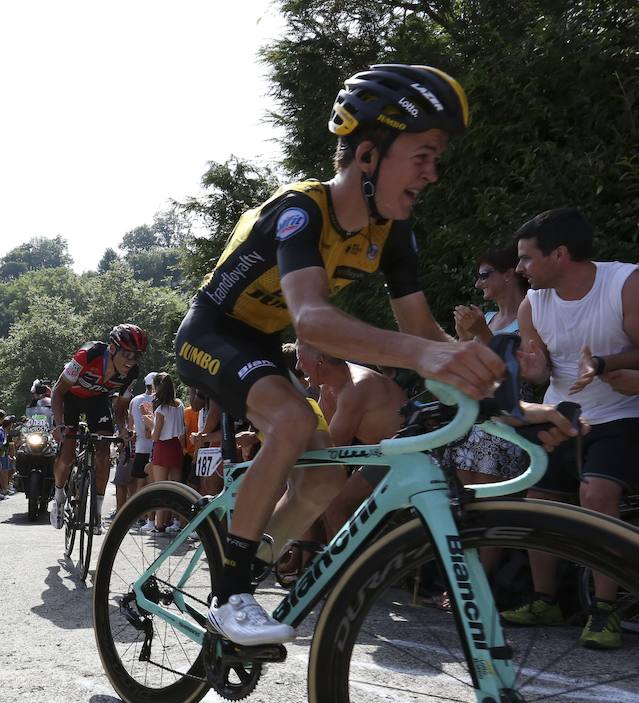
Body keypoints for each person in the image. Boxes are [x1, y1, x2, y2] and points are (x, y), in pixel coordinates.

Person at [175, 64, 576, 647]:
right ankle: (229, 594)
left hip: (259, 343)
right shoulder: (301, 211)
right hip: (211, 331)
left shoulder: (392, 233)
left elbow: (424, 333)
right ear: (367, 155)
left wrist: (515, 408)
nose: (432, 174)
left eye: (436, 158)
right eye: (422, 155)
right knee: (290, 421)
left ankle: (244, 562)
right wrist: (425, 354)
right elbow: (312, 319)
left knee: (324, 477)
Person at [503, 208, 639, 649]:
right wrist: (534, 365)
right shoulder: (532, 304)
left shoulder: (625, 284)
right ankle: (546, 599)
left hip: (623, 413)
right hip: (562, 414)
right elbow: (541, 371)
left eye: (525, 259)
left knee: (596, 496)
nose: (519, 269)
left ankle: (604, 610)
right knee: (538, 499)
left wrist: (605, 366)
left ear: (559, 254)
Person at [296, 341, 407, 538]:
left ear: (320, 361)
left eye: (299, 359)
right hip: (382, 455)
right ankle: (338, 562)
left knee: (336, 506)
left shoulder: (355, 387)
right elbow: (316, 432)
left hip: (405, 453)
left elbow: (330, 446)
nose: (297, 367)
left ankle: (355, 566)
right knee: (326, 501)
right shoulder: (328, 388)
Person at [445, 244, 534, 485]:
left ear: (508, 274)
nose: (478, 283)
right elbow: (464, 368)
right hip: (473, 416)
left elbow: (525, 370)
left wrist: (481, 333)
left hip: (507, 416)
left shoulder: (532, 314)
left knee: (489, 496)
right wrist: (463, 337)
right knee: (461, 496)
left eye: (484, 275)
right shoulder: (486, 319)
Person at [49, 324, 148, 534]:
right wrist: (59, 425)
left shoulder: (132, 373)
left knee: (103, 452)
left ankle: (96, 512)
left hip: (97, 402)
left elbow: (120, 408)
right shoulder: (88, 354)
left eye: (136, 356)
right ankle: (58, 496)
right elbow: (58, 391)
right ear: (112, 348)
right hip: (70, 398)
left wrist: (122, 430)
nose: (131, 361)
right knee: (67, 454)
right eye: (127, 354)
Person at [146, 373, 185, 533]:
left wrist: (149, 422)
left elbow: (155, 436)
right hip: (176, 446)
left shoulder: (161, 409)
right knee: (177, 488)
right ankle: (177, 521)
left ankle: (159, 524)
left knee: (160, 487)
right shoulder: (180, 404)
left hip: (163, 447)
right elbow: (181, 430)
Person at [128, 371, 156, 495]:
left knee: (140, 483)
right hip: (155, 446)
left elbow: (130, 425)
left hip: (140, 446)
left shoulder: (135, 400)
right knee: (153, 483)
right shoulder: (157, 400)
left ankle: (140, 511)